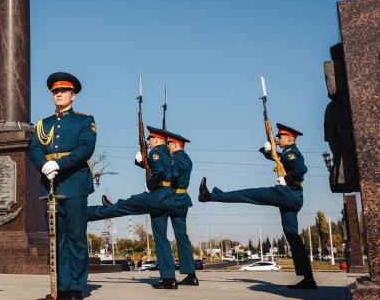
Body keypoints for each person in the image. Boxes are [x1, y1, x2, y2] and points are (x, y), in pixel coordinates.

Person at [198, 123, 316, 289]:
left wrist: (286, 180)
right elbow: (278, 158)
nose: (278, 139)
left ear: (290, 139)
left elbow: (301, 168)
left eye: (281, 136)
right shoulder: (288, 153)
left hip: (286, 194)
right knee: (292, 236)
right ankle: (308, 279)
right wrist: (268, 151)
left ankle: (209, 196)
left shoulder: (292, 152)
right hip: (293, 197)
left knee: (249, 194)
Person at [29, 72, 97, 300]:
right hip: (50, 185)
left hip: (75, 182)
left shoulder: (84, 121)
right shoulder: (43, 124)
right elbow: (35, 148)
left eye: (63, 91)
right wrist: (43, 165)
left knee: (76, 236)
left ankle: (76, 288)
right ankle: (61, 287)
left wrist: (59, 163)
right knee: (56, 237)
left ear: (73, 95)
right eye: (55, 92)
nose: (59, 94)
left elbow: (85, 148)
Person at [87, 126, 179, 289]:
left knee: (125, 205)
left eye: (151, 139)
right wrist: (142, 161)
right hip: (168, 197)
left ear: (157, 140)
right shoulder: (169, 154)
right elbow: (170, 172)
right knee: (161, 238)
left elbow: (157, 172)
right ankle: (169, 278)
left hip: (156, 196)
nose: (149, 142)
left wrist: (150, 185)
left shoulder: (156, 153)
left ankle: (87, 213)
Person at [156, 130, 199, 287]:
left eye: (168, 145)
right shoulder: (186, 158)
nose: (167, 147)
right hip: (182, 201)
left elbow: (172, 174)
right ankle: (191, 275)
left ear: (175, 145)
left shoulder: (177, 159)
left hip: (170, 199)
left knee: (160, 234)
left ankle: (168, 277)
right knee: (182, 238)